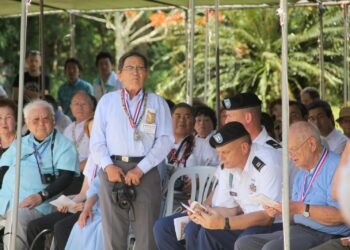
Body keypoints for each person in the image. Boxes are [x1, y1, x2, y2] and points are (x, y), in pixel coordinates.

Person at [90, 51, 173, 250]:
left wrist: (140, 169)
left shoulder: (157, 103)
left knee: (147, 235)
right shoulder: (107, 102)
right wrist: (108, 166)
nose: (135, 72)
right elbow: (96, 141)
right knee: (113, 233)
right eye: (129, 68)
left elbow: (165, 141)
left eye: (140, 68)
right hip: (112, 171)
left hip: (145, 169)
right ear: (119, 74)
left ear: (146, 73)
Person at [154, 122, 283, 250]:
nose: (220, 158)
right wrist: (202, 212)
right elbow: (228, 209)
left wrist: (223, 223)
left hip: (273, 225)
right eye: (218, 152)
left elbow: (267, 217)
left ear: (244, 148)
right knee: (166, 227)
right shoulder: (228, 165)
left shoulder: (267, 164)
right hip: (242, 220)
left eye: (225, 152)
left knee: (210, 232)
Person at [235, 121, 350, 250]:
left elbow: (341, 215)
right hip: (298, 230)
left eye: (294, 150)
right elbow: (294, 216)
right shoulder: (302, 172)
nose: (290, 156)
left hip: (328, 233)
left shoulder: (336, 167)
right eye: (288, 152)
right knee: (244, 243)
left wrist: (302, 208)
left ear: (311, 144)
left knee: (272, 248)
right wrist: (278, 210)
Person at [0, 100, 79, 250]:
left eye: (46, 118)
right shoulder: (19, 144)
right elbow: (2, 170)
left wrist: (41, 195)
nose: (41, 123)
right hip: (5, 200)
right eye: (35, 119)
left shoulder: (64, 145)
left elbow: (66, 177)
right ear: (27, 123)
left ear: (53, 120)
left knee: (16, 217)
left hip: (38, 204)